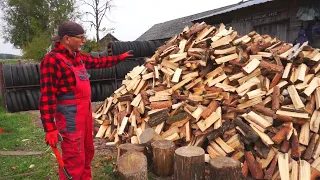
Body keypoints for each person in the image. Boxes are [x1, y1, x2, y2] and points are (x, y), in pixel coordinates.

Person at [39, 21, 133, 180]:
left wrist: (119, 58)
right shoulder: (53, 60)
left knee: (87, 152)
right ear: (67, 39)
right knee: (74, 158)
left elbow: (99, 62)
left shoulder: (78, 57)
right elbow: (47, 97)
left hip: (85, 115)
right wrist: (50, 129)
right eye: (80, 38)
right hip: (70, 119)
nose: (84, 41)